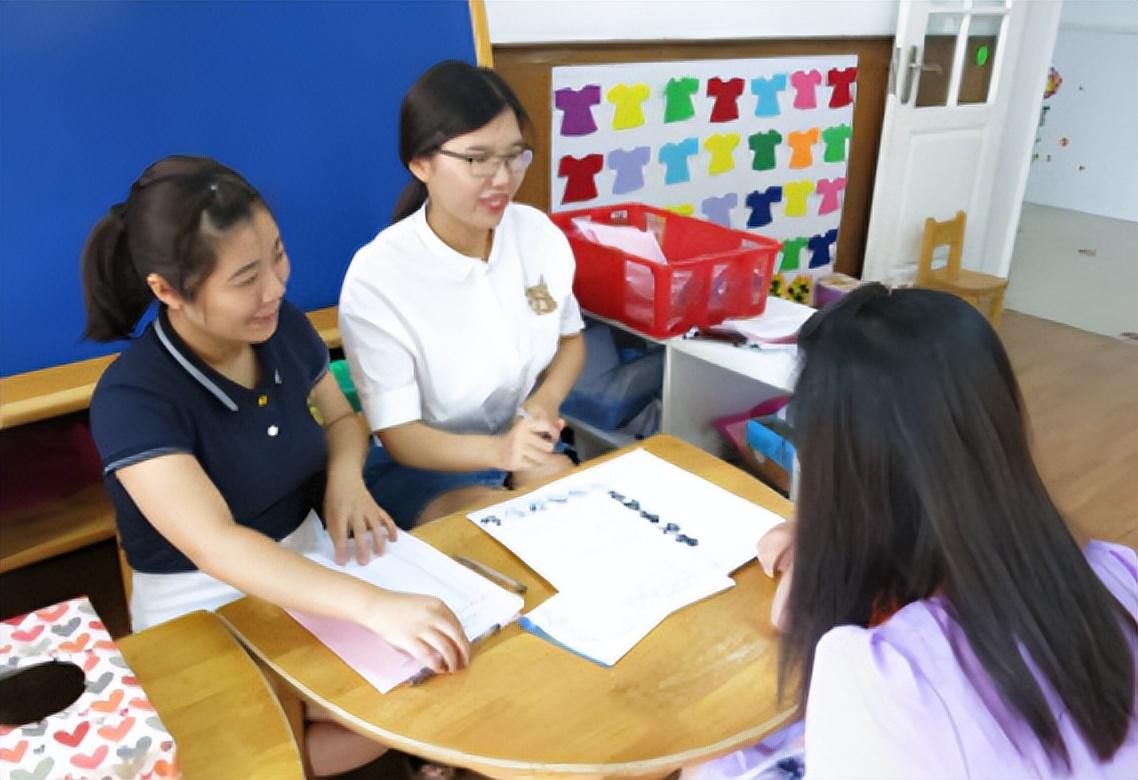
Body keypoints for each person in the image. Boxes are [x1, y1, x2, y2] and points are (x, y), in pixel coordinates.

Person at [82, 155, 471, 777]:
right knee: (340, 720)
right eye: (245, 277)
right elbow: (216, 545)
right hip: (204, 603)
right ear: (167, 290)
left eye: (278, 256)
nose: (276, 288)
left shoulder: (280, 328)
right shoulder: (133, 398)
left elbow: (342, 420)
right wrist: (371, 605)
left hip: (309, 562)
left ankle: (394, 742)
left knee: (424, 673)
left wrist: (345, 481)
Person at [689, 284, 1136, 779]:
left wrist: (827, 535)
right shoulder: (1117, 569)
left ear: (841, 470)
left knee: (706, 760)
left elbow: (799, 619)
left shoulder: (888, 679)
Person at [339, 60, 586, 529]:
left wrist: (544, 402)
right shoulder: (379, 277)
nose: (503, 179)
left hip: (518, 442)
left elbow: (571, 340)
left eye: (514, 156)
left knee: (573, 515)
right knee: (500, 531)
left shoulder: (537, 235)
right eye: (477, 160)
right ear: (421, 163)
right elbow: (400, 435)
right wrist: (500, 452)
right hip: (422, 466)